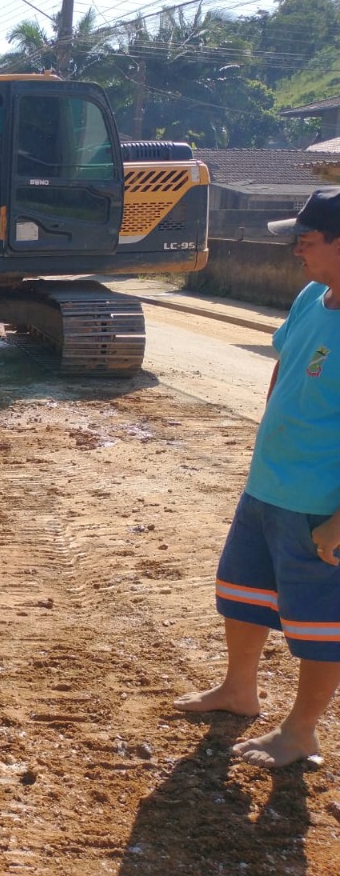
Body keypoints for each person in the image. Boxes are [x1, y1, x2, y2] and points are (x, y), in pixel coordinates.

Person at [174, 186, 340, 768]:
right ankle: (239, 691)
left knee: (321, 622)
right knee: (242, 593)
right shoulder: (311, 298)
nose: (296, 249)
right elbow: (284, 370)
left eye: (308, 240)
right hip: (269, 485)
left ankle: (301, 732)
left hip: (319, 505)